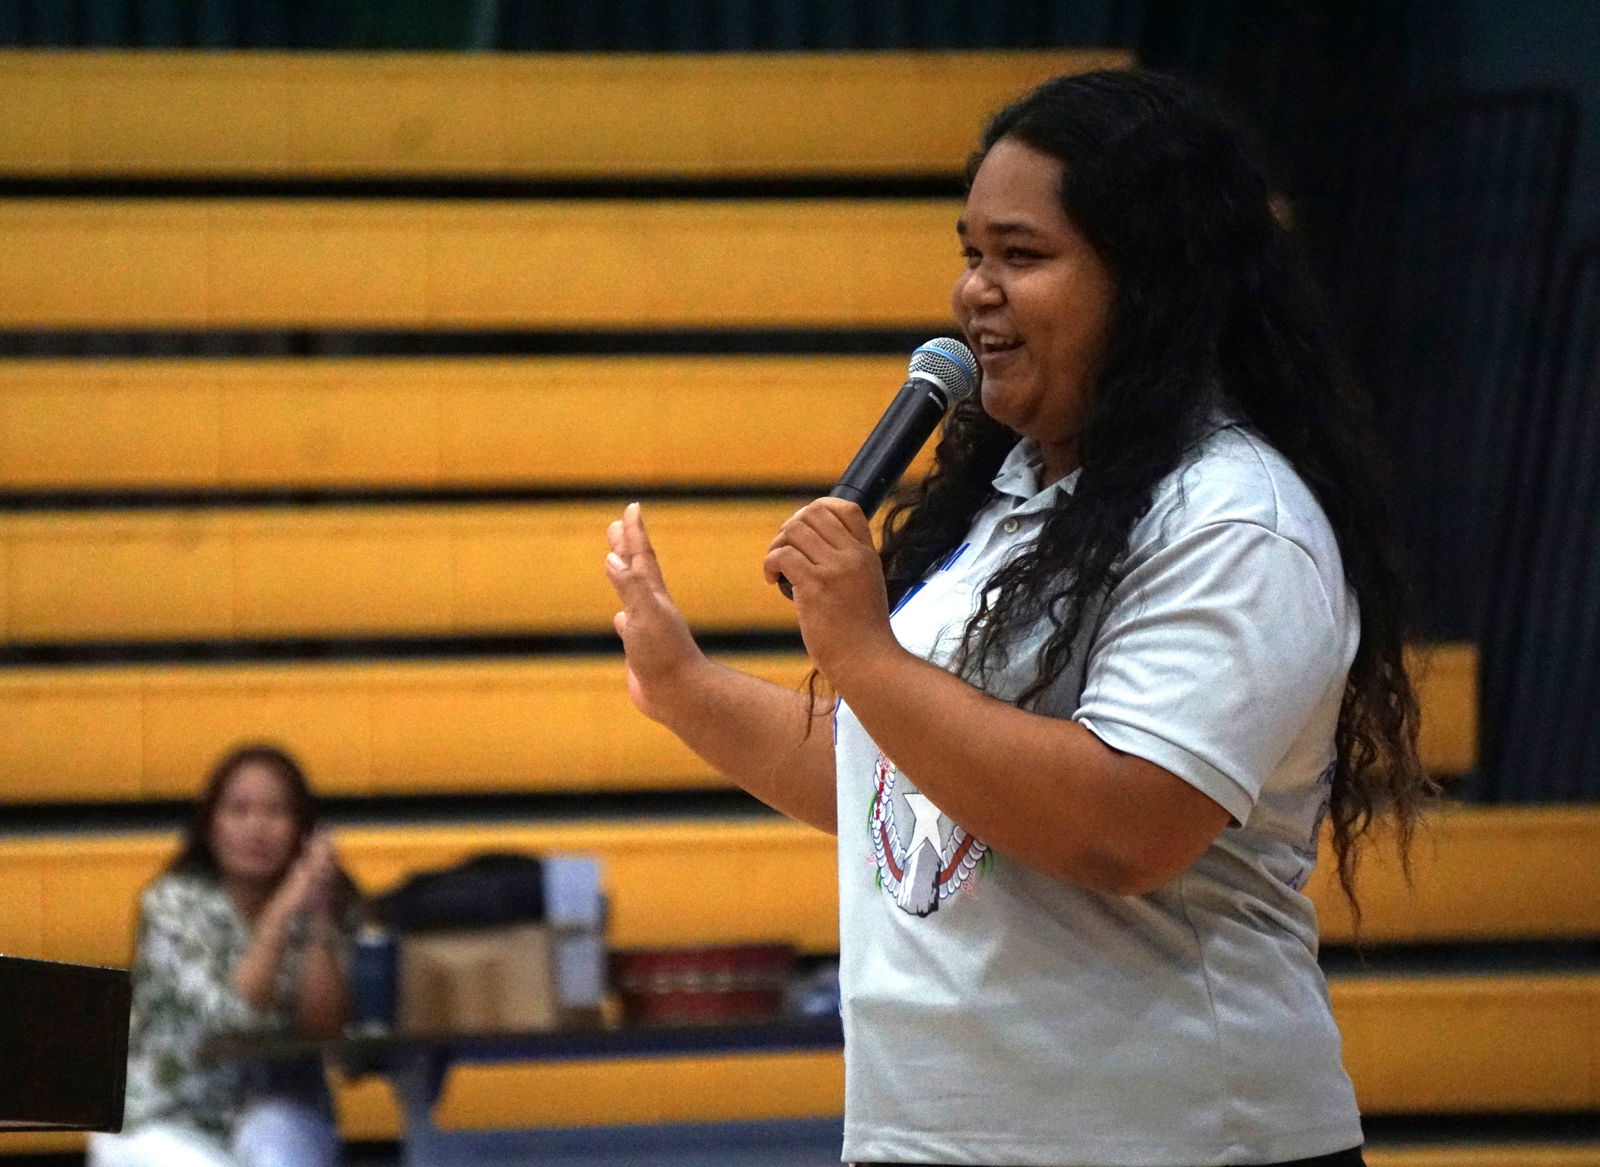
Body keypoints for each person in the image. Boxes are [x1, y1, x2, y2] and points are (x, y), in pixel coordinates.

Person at [605, 67, 1434, 1167]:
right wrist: (684, 690)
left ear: (1150, 280)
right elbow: (904, 786)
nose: (974, 293)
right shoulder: (1013, 501)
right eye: (970, 254)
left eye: (1021, 256)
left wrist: (860, 651)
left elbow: (1121, 828)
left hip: (1178, 1145)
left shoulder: (1235, 518)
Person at [88, 745, 359, 1167]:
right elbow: (231, 1019)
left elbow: (325, 1031)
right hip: (164, 1117)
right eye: (239, 809)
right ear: (211, 824)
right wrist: (284, 909)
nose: (257, 827)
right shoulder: (170, 907)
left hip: (276, 1108)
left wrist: (320, 918)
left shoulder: (323, 906)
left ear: (303, 830)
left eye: (276, 811)